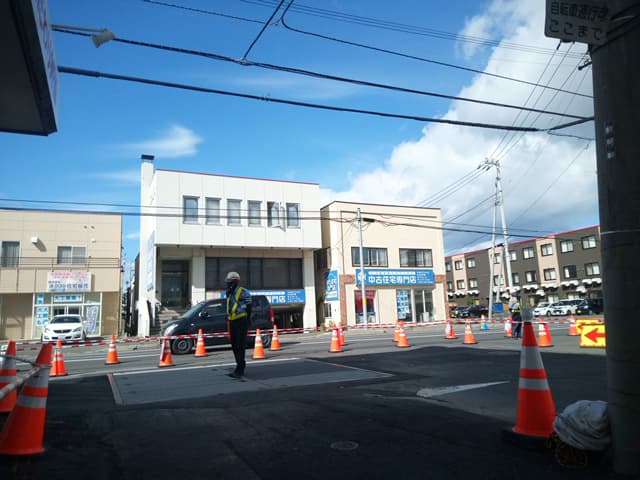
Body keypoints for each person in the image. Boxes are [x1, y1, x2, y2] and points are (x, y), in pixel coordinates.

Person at [225, 271, 252, 379]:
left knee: (240, 345)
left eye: (229, 282)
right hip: (232, 321)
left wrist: (248, 320)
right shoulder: (229, 292)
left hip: (241, 321)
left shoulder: (243, 291)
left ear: (234, 282)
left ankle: (240, 368)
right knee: (234, 345)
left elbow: (249, 306)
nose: (227, 284)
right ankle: (238, 366)